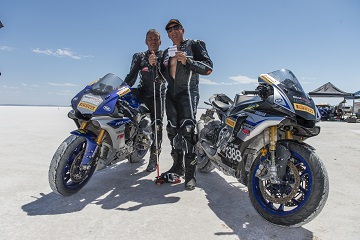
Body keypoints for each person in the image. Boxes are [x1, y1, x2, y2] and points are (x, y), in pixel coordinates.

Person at [150, 19, 213, 190]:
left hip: (188, 93)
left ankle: (191, 175)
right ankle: (178, 166)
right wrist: (154, 65)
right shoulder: (165, 53)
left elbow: (208, 68)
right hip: (171, 95)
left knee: (188, 131)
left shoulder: (195, 45)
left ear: (182, 30)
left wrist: (188, 61)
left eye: (176, 28)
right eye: (169, 30)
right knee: (172, 130)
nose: (173, 31)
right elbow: (160, 78)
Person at [124, 29, 166, 172]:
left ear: (160, 41)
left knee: (158, 127)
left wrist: (156, 65)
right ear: (146, 41)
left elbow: (168, 77)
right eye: (150, 38)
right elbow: (131, 77)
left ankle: (154, 158)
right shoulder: (139, 57)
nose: (153, 41)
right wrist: (120, 90)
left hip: (158, 95)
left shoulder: (165, 57)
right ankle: (127, 143)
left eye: (156, 39)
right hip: (142, 92)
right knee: (122, 106)